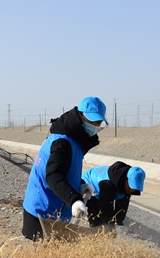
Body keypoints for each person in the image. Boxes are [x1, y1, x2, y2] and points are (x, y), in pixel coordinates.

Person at [22, 96, 107, 240]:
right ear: (80, 116)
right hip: (42, 211)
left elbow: (65, 170)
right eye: (92, 121)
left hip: (55, 209)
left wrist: (80, 185)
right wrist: (74, 200)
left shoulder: (74, 140)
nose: (95, 125)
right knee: (44, 257)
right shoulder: (62, 142)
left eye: (98, 122)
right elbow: (53, 176)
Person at [81, 162, 145, 227]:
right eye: (131, 186)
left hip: (108, 188)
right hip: (88, 186)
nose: (132, 190)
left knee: (118, 215)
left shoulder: (125, 182)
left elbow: (122, 207)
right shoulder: (108, 184)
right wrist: (109, 227)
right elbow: (105, 207)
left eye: (134, 187)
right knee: (97, 219)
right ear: (126, 178)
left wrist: (118, 222)